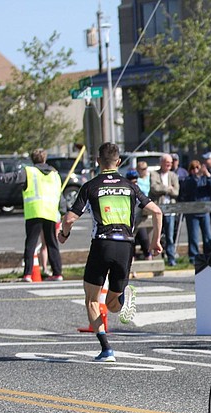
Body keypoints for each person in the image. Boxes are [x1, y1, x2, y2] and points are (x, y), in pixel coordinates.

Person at [58, 142, 163, 362]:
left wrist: (64, 235)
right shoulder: (130, 186)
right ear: (118, 162)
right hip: (126, 246)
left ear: (98, 161)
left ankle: (107, 349)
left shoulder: (91, 186)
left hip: (102, 244)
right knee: (113, 307)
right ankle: (122, 296)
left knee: (92, 300)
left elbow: (69, 218)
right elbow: (157, 211)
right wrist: (155, 242)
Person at [0, 148, 64, 282]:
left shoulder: (29, 172)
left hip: (34, 211)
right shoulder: (55, 174)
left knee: (31, 243)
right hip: (50, 212)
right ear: (45, 159)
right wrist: (63, 212)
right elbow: (60, 195)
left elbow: (13, 177)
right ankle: (57, 273)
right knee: (52, 243)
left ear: (32, 159)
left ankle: (28, 274)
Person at [183, 159, 211, 263]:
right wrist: (196, 176)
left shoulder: (205, 178)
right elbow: (189, 187)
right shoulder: (188, 179)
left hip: (204, 211)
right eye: (193, 168)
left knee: (208, 236)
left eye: (197, 167)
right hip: (192, 212)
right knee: (193, 236)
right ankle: (193, 257)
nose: (196, 170)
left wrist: (207, 175)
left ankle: (209, 256)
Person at [149, 154, 180, 266]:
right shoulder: (154, 174)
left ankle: (171, 259)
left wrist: (162, 188)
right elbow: (154, 188)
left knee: (170, 236)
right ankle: (157, 258)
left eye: (171, 162)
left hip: (170, 210)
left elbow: (176, 192)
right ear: (161, 162)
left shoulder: (173, 175)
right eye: (167, 162)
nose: (169, 164)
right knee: (157, 235)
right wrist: (168, 188)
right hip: (158, 209)